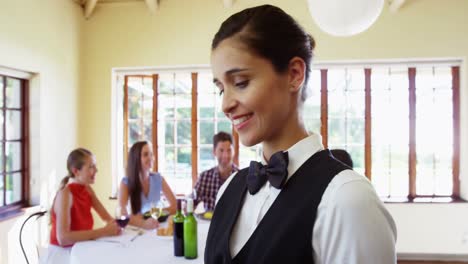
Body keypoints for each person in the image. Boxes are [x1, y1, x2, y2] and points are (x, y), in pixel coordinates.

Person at [205, 5, 397, 264]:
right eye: (220, 89)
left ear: (294, 75)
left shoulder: (347, 199)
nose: (225, 104)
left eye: (240, 83)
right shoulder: (228, 189)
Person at [42, 148, 121, 264]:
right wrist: (103, 231)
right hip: (62, 256)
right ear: (76, 171)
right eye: (91, 167)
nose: (96, 170)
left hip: (81, 251)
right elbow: (63, 238)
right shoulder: (65, 194)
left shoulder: (87, 190)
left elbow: (108, 218)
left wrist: (127, 224)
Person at [118, 141, 177, 230]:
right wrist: (143, 223)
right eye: (145, 155)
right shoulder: (126, 183)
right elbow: (122, 215)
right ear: (136, 159)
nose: (150, 158)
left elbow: (175, 206)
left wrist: (153, 213)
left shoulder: (158, 178)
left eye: (151, 154)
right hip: (136, 230)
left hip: (156, 226)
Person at [194, 131, 239, 211]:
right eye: (221, 150)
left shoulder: (241, 177)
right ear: (214, 152)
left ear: (234, 151)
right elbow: (193, 199)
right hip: (209, 223)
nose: (226, 155)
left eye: (229, 150)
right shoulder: (205, 177)